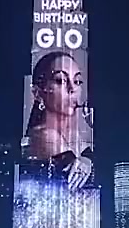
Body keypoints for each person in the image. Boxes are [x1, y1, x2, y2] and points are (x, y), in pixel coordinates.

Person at [26, 50, 93, 191]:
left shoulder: (74, 135)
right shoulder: (45, 135)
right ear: (38, 93)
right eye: (60, 80)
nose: (72, 88)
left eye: (77, 81)